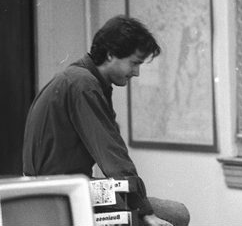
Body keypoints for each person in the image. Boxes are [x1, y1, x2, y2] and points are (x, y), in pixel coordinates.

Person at [23, 15, 190, 226]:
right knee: (176, 215)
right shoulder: (83, 84)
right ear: (111, 55)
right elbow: (112, 155)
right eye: (134, 63)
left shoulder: (82, 79)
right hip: (60, 193)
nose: (137, 73)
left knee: (174, 212)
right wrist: (145, 211)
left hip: (66, 187)